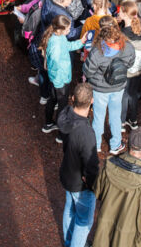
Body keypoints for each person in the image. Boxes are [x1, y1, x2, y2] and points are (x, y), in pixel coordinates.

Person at [92, 126, 141, 247]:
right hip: (129, 239)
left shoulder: (109, 164)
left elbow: (97, 191)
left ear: (128, 144)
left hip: (104, 234)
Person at [83, 17, 135, 155]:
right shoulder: (128, 47)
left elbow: (88, 71)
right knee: (115, 115)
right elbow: (129, 64)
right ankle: (115, 144)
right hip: (118, 87)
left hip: (100, 89)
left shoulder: (97, 51)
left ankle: (96, 145)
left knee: (98, 117)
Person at [58, 82, 100, 247]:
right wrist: (92, 184)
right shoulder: (87, 133)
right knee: (84, 221)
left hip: (67, 174)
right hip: (81, 185)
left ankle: (69, 242)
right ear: (92, 101)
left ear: (73, 99)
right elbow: (91, 167)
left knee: (69, 209)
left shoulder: (65, 115)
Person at [41, 15, 89, 140]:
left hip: (56, 80)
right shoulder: (56, 45)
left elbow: (68, 47)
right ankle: (61, 135)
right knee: (62, 108)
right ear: (60, 30)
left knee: (52, 101)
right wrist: (59, 85)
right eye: (68, 29)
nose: (69, 31)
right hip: (60, 81)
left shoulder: (58, 37)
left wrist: (81, 42)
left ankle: (48, 124)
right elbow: (54, 66)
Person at [118, 0, 141, 130]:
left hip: (128, 69)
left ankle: (121, 121)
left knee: (124, 95)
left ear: (125, 14)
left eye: (120, 11)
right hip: (140, 67)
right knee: (133, 93)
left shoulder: (124, 34)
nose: (118, 13)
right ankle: (133, 120)